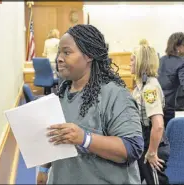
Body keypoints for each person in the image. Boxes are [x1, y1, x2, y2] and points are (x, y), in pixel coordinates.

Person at [37, 24, 144, 184]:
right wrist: (44, 168)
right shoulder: (61, 94)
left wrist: (84, 139)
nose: (59, 58)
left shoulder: (115, 95)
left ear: (89, 56)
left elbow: (132, 147)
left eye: (67, 52)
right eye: (59, 52)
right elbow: (56, 139)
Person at [131, 45, 170, 184]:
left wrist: (152, 152)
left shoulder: (149, 89)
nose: (130, 63)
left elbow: (158, 125)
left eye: (133, 60)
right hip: (144, 142)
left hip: (153, 145)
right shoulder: (141, 86)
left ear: (142, 62)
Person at [158, 32, 184, 126]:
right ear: (177, 47)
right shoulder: (182, 64)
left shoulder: (160, 60)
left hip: (158, 108)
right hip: (175, 109)